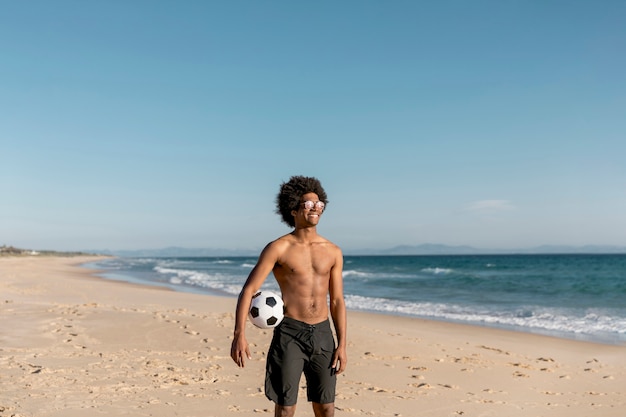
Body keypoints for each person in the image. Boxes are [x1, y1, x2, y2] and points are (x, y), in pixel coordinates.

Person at [231, 175, 347, 417]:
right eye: (308, 204)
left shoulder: (333, 251)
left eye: (319, 205)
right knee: (285, 407)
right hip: (290, 333)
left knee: (326, 406)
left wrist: (342, 344)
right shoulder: (278, 248)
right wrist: (239, 334)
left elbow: (336, 301)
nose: (315, 209)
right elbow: (249, 290)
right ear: (293, 209)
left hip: (324, 334)